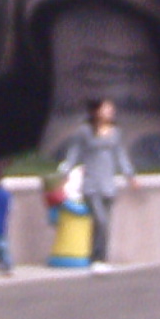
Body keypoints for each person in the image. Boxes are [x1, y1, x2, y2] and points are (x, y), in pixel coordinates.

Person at [58, 98, 138, 272]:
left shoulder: (116, 133)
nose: (110, 112)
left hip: (108, 184)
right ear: (96, 111)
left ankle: (101, 258)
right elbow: (75, 153)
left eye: (111, 109)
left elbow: (120, 155)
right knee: (100, 220)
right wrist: (65, 172)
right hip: (91, 184)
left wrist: (129, 175)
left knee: (105, 223)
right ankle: (96, 258)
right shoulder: (85, 132)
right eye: (106, 109)